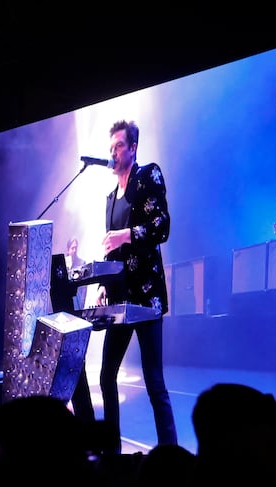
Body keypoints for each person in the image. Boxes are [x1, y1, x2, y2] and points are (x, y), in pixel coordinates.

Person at [95, 119, 177, 452]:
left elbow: (161, 227)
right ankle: (112, 450)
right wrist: (103, 284)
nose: (113, 153)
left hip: (145, 298)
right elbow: (112, 250)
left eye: (118, 146)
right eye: (110, 147)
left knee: (154, 380)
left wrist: (125, 234)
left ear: (133, 148)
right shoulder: (109, 198)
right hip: (118, 297)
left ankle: (169, 452)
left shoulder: (148, 176)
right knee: (105, 375)